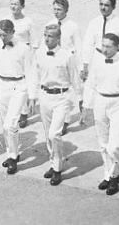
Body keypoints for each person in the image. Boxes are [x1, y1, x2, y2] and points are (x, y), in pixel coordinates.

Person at [84, 32, 119, 196]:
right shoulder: (97, 62)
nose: (105, 49)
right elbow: (91, 84)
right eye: (103, 46)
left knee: (115, 145)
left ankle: (114, 175)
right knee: (103, 143)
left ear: (117, 47)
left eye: (109, 46)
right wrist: (86, 107)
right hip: (100, 102)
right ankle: (109, 175)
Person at [31, 23, 80, 186]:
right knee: (47, 134)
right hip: (45, 96)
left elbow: (75, 79)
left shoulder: (67, 56)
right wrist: (33, 96)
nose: (46, 38)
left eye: (50, 36)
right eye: (45, 35)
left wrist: (81, 100)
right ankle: (54, 163)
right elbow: (34, 75)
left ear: (58, 38)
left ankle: (58, 169)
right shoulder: (39, 53)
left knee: (54, 134)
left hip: (61, 97)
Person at [0, 19, 34, 175]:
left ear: (12, 32)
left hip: (18, 87)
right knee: (4, 124)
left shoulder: (23, 49)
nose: (2, 38)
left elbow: (30, 72)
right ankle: (10, 153)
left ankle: (14, 157)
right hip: (2, 85)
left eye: (4, 35)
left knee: (11, 125)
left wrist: (32, 95)